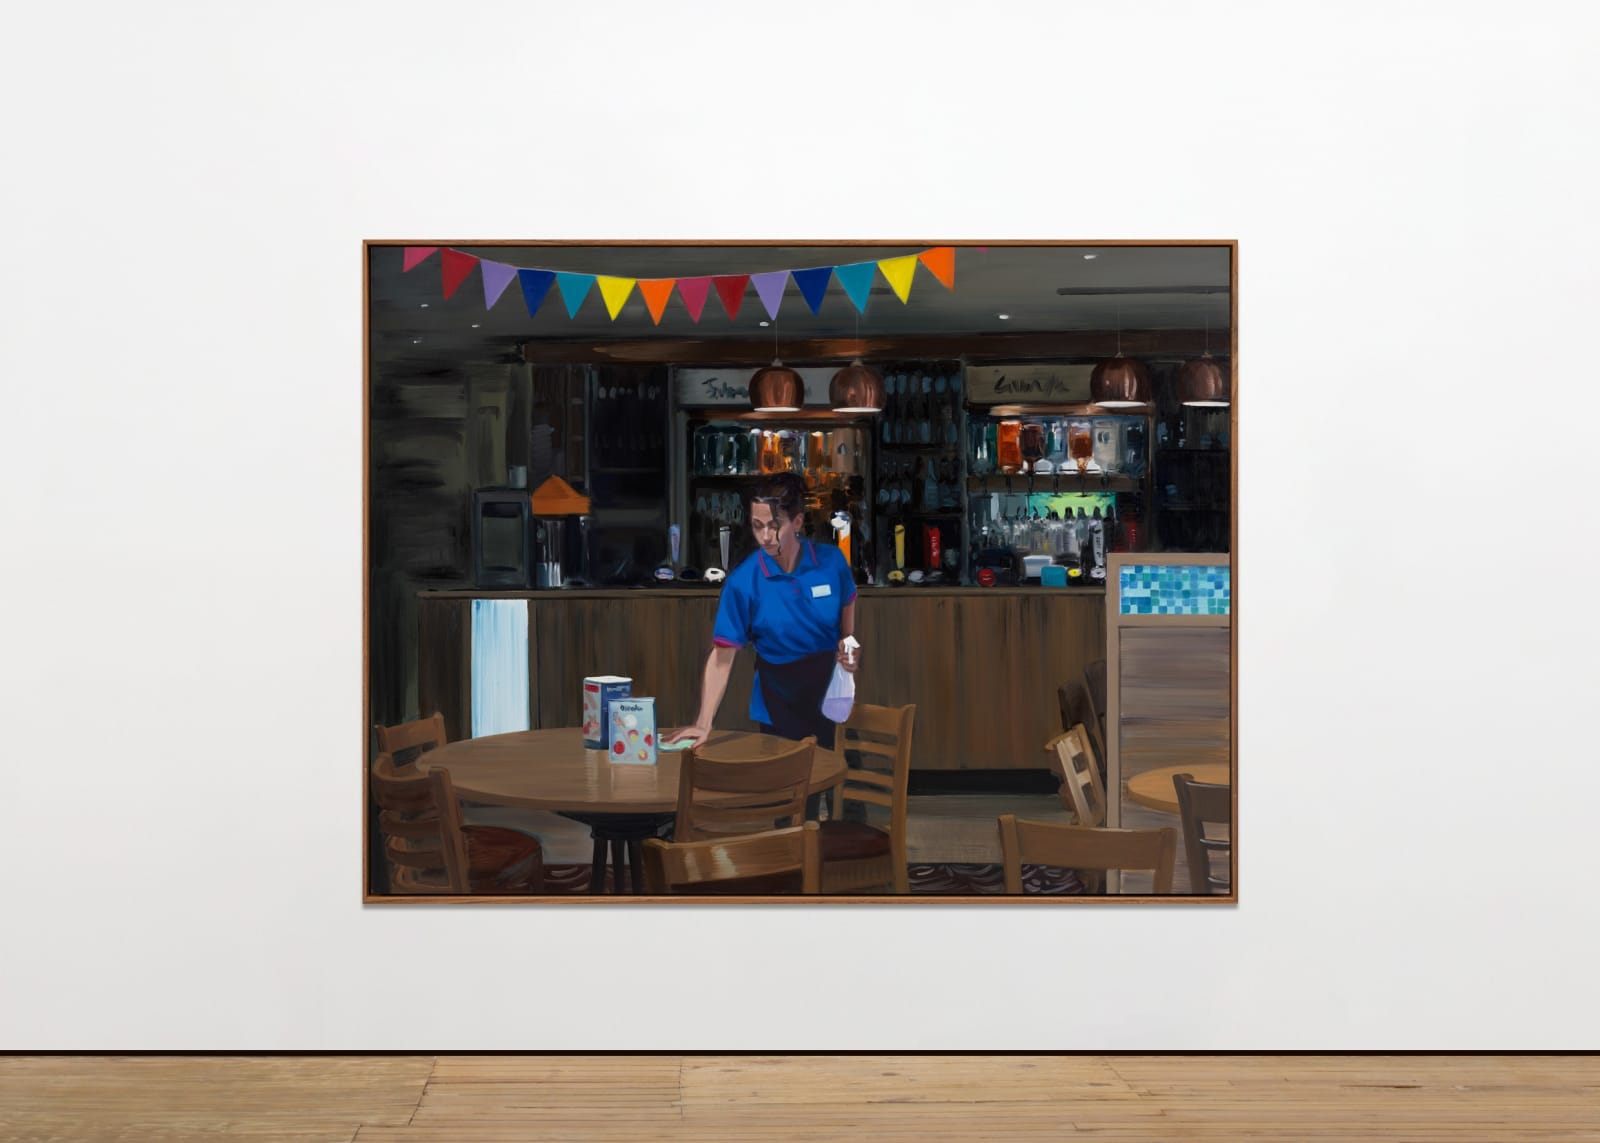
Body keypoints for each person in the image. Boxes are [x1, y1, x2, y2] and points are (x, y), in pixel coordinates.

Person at [665, 472, 859, 752]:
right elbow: (722, 657)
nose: (765, 537)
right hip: (778, 701)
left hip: (831, 695)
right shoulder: (743, 582)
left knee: (838, 783)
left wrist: (850, 649)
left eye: (773, 526)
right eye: (757, 526)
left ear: (797, 522)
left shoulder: (831, 562)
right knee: (790, 790)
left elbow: (848, 629)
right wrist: (704, 722)